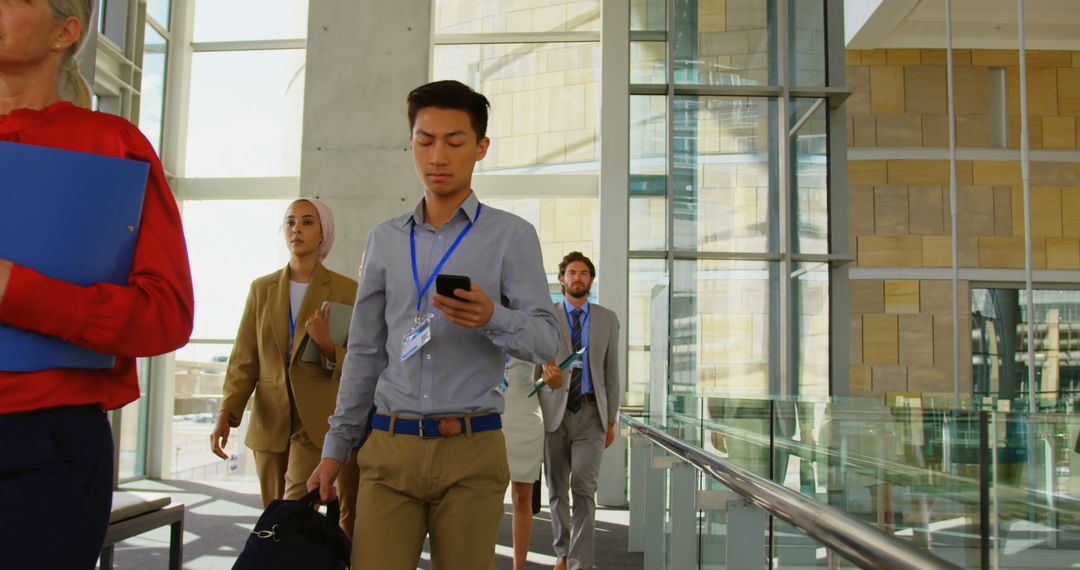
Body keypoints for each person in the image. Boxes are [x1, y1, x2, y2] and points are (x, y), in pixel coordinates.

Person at [307, 79, 559, 570]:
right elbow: (364, 353)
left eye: (454, 141)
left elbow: (549, 339)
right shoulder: (383, 240)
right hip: (389, 449)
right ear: (411, 145)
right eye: (425, 141)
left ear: (481, 148)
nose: (437, 155)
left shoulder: (512, 236)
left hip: (472, 448)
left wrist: (494, 318)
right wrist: (335, 450)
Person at [0, 1, 194, 568]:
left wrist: (16, 291)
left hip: (43, 454)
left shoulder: (112, 144)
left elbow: (166, 314)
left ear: (66, 31)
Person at [211, 198, 360, 536]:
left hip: (316, 420)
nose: (297, 229)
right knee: (273, 519)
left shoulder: (345, 289)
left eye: (307, 222)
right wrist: (227, 412)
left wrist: (327, 346)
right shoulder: (262, 289)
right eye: (291, 222)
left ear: (324, 234)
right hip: (270, 418)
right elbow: (244, 358)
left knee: (292, 511)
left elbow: (363, 359)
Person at [537, 252, 621, 570]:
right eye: (572, 272)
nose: (578, 277)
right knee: (557, 488)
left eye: (584, 273)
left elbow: (612, 373)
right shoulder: (545, 315)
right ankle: (562, 551)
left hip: (591, 413)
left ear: (591, 280)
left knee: (584, 488)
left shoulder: (607, 318)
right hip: (553, 413)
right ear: (561, 279)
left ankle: (579, 561)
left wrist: (610, 418)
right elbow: (535, 366)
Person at [492, 356, 546, 570]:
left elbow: (553, 371)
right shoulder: (483, 323)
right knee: (490, 499)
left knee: (522, 497)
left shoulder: (532, 324)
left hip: (526, 413)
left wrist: (553, 378)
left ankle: (519, 567)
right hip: (492, 412)